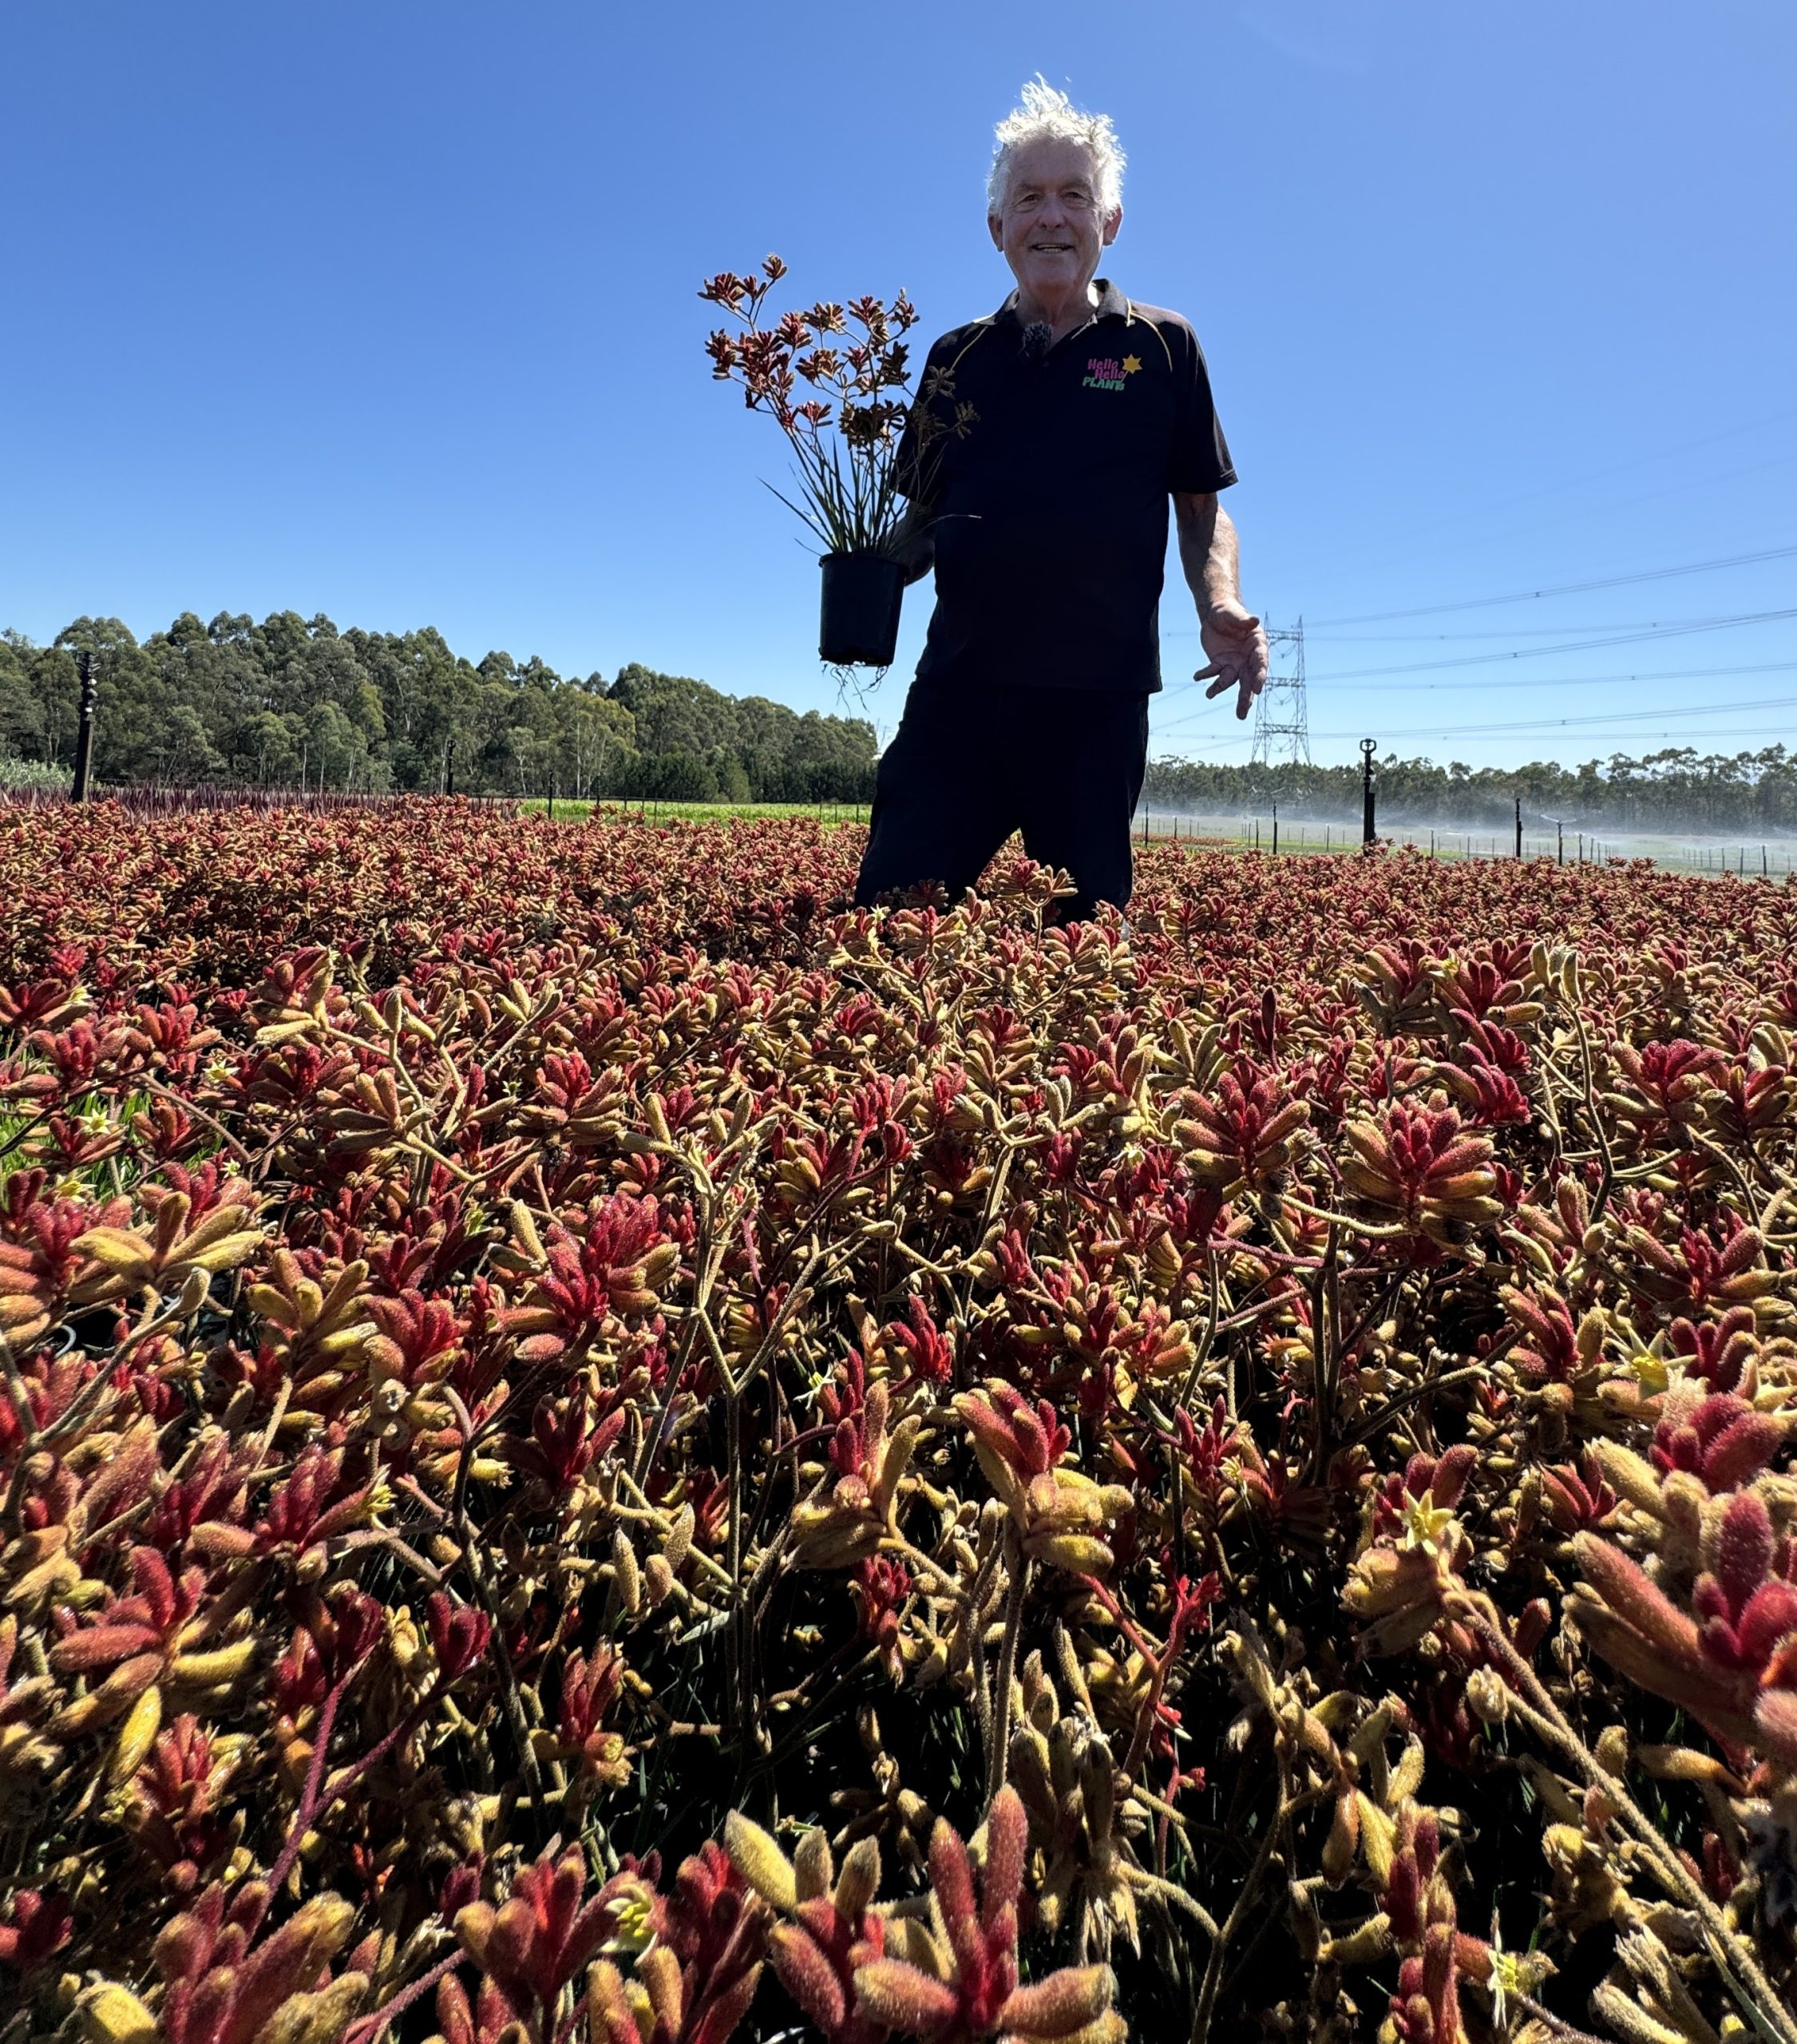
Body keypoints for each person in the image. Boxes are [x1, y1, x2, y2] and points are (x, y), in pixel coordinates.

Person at [853, 79, 1269, 921]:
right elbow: (924, 520)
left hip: (1094, 708)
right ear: (997, 228)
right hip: (957, 700)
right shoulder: (955, 357)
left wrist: (1218, 599)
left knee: (1077, 954)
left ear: (1108, 223)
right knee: (889, 928)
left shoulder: (1162, 347)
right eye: (1029, 198)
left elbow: (1199, 506)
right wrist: (870, 576)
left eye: (1073, 196)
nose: (1051, 217)